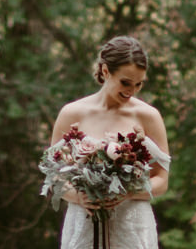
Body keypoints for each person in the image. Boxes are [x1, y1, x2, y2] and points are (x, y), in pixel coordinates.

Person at [46, 35, 172, 249]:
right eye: (125, 82)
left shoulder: (149, 116)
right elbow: (54, 175)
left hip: (132, 225)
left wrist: (128, 192)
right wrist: (79, 196)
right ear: (105, 71)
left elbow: (161, 179)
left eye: (139, 84)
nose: (131, 91)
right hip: (84, 223)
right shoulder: (71, 114)